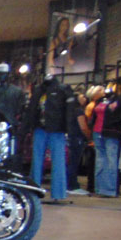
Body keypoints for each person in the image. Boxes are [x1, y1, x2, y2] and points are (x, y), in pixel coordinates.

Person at [27, 72, 76, 204]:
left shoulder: (63, 89)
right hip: (40, 129)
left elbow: (70, 110)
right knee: (38, 161)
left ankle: (58, 193)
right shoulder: (39, 90)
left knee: (57, 161)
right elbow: (32, 109)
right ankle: (34, 191)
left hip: (57, 130)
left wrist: (68, 129)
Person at [92, 81, 121, 197]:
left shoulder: (119, 100)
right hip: (97, 132)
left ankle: (109, 190)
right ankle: (99, 188)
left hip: (111, 132)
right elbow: (95, 115)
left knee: (110, 160)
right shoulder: (102, 100)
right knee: (100, 161)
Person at [0, 63, 26, 143]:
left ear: (8, 75)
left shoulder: (17, 92)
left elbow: (21, 110)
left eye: (3, 74)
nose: (1, 76)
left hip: (11, 127)